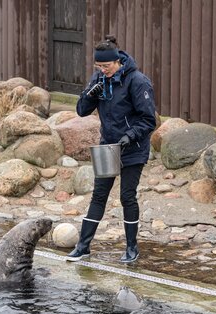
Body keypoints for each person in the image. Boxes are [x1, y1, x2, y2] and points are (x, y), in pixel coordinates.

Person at [66, 35, 156, 263]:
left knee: (127, 196)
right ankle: (83, 247)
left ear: (118, 61)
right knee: (99, 195)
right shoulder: (99, 78)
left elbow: (148, 120)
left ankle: (131, 248)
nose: (103, 70)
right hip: (108, 146)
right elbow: (81, 111)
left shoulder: (137, 81)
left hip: (132, 147)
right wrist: (89, 94)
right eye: (99, 66)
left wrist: (130, 136)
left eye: (106, 66)